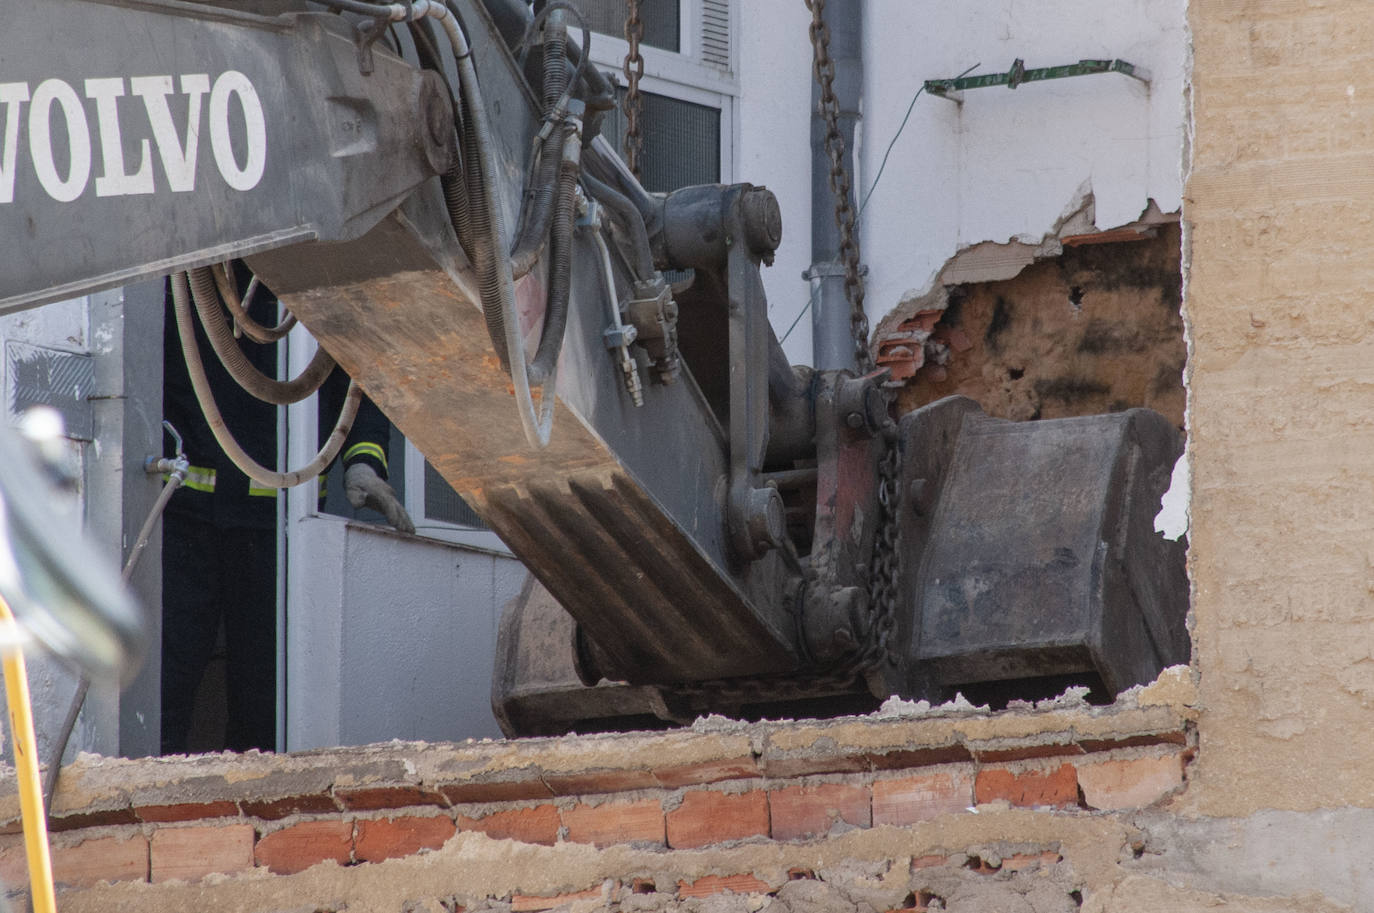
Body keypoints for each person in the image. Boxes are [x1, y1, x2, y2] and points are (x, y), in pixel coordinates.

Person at [160, 265, 412, 754]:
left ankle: (253, 821)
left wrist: (363, 462)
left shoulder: (310, 269)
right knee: (163, 686)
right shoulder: (185, 272)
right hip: (183, 515)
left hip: (280, 530)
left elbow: (360, 368)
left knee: (268, 706)